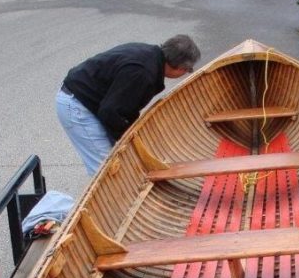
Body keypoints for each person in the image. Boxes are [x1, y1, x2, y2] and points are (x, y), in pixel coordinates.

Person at [56, 34, 201, 176]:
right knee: (106, 170)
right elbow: (110, 112)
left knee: (115, 161)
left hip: (87, 101)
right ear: (180, 68)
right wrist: (129, 141)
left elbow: (123, 107)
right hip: (78, 107)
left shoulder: (149, 55)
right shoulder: (142, 73)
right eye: (188, 70)